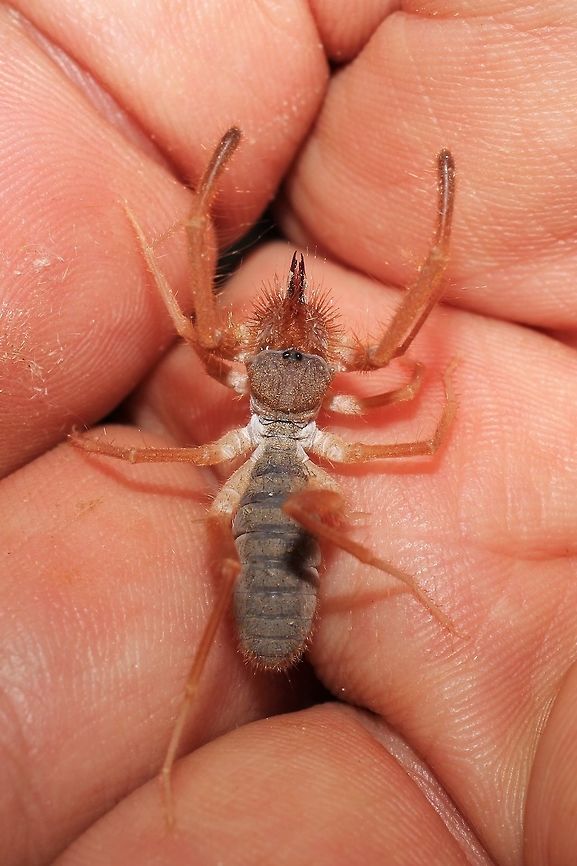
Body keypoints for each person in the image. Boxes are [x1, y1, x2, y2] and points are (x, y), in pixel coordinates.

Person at [1, 3, 576, 864]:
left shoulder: (242, 381)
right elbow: (401, 412)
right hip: (282, 489)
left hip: (269, 486)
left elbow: (218, 368)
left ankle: (214, 681)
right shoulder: (328, 402)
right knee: (252, 538)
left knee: (254, 533)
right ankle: (180, 730)